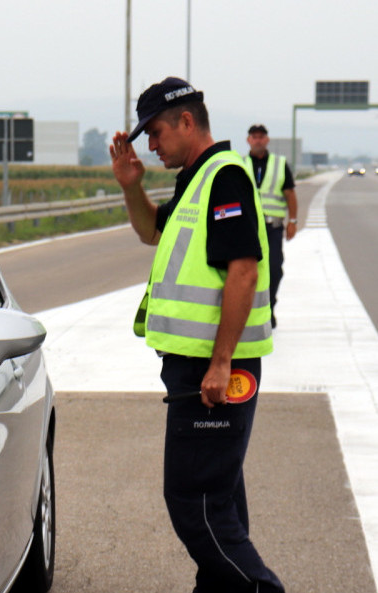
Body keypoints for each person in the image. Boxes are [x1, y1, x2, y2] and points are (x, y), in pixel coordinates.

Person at [110, 77, 284, 593]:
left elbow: (244, 272)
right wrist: (130, 185)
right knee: (219, 499)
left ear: (187, 122)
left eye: (157, 133)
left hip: (212, 371)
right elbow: (151, 231)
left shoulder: (224, 176)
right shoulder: (196, 178)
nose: (152, 145)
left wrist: (220, 362)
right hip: (193, 367)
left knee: (194, 502)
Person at [244, 124, 298, 328]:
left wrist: (292, 221)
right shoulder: (240, 163)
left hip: (272, 228)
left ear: (267, 140)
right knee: (245, 271)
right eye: (254, 137)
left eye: (261, 137)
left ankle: (269, 307)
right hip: (246, 229)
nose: (258, 140)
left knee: (274, 270)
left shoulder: (279, 164)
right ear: (248, 140)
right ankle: (248, 311)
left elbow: (290, 194)